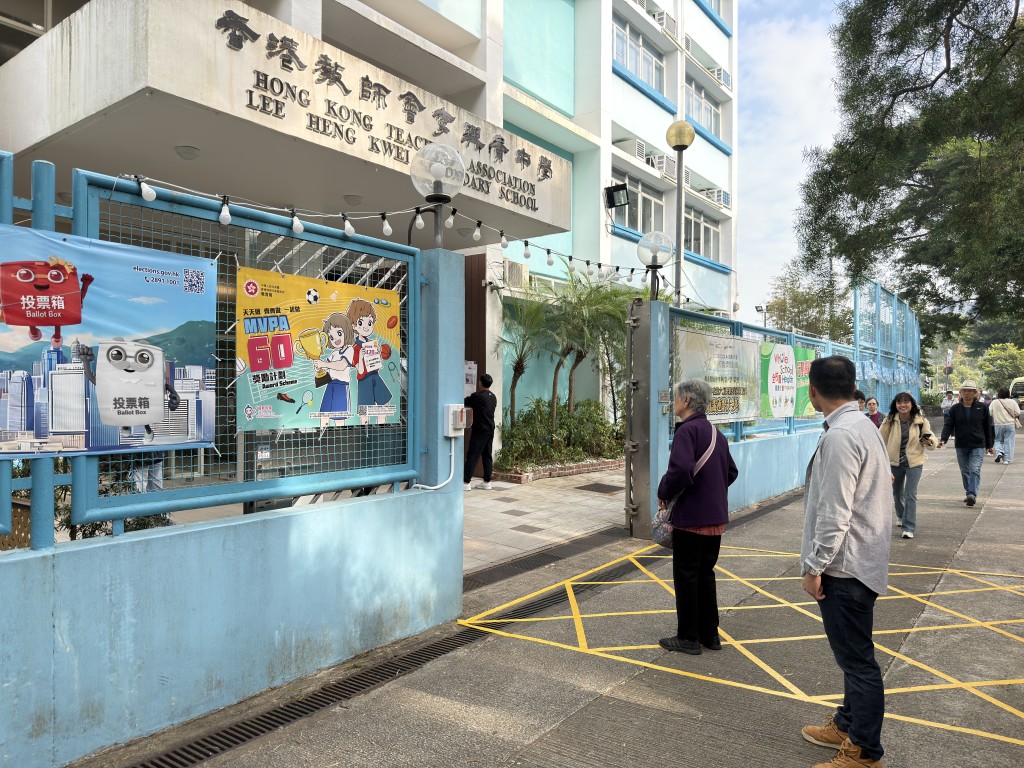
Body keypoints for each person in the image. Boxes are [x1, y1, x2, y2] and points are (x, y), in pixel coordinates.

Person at [800, 356, 890, 768]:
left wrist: (815, 566)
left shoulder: (841, 436)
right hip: (861, 559)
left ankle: (865, 752)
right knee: (854, 657)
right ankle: (847, 723)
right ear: (853, 386)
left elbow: (835, 512)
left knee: (858, 663)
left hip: (845, 566)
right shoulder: (864, 426)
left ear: (813, 390)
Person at [657, 379, 738, 656]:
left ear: (687, 401)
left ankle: (688, 637)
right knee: (705, 575)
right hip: (715, 520)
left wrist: (663, 492)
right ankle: (710, 635)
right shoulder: (717, 433)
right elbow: (731, 473)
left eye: (676, 397)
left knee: (686, 576)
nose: (674, 402)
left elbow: (680, 471)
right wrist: (710, 493)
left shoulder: (686, 432)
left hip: (690, 520)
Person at [879, 392, 936, 539]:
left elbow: (931, 437)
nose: (902, 405)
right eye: (899, 402)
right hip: (895, 462)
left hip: (914, 462)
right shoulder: (890, 420)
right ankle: (900, 515)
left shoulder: (920, 421)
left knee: (910, 494)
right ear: (895, 404)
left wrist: (930, 442)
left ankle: (908, 527)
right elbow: (879, 439)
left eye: (906, 402)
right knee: (897, 493)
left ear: (912, 404)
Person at [938, 380, 994, 507]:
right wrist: (943, 439)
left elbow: (987, 427)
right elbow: (948, 425)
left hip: (978, 444)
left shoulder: (982, 407)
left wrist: (989, 445)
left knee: (974, 469)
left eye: (970, 391)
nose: (967, 393)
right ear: (961, 392)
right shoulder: (955, 408)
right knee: (965, 471)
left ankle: (971, 494)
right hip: (961, 444)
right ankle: (969, 492)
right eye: (965, 390)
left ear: (975, 393)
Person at [463, 373, 497, 491]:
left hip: (480, 430)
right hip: (490, 429)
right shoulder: (493, 397)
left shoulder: (477, 396)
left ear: (481, 383)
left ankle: (466, 482)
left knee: (473, 455)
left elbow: (465, 401)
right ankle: (487, 481)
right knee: (487, 455)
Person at [989, 386, 1020, 465]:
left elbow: (990, 412)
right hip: (1010, 424)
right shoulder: (1012, 402)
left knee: (998, 440)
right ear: (1008, 394)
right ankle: (1006, 459)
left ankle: (999, 452)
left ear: (999, 394)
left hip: (998, 424)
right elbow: (1017, 412)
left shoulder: (994, 402)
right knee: (1009, 441)